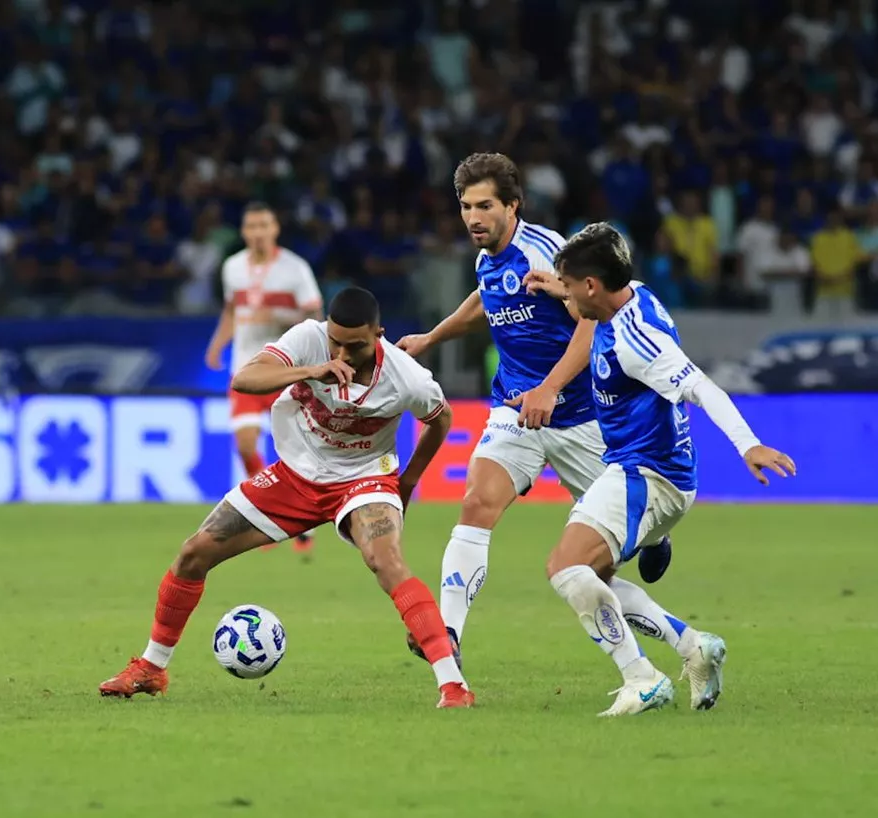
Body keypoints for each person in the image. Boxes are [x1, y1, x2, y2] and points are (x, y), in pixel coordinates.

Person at [100, 287, 474, 709]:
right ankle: (152, 668)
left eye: (357, 345)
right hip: (294, 476)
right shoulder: (308, 340)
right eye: (337, 342)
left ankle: (453, 684)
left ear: (379, 334)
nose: (345, 353)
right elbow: (245, 378)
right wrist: (310, 370)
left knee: (385, 561)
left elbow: (440, 418)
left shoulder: (406, 377)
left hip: (363, 478)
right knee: (193, 553)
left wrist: (407, 482)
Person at [396, 152, 671, 670]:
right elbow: (485, 300)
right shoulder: (486, 257)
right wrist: (432, 337)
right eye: (465, 206)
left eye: (484, 206)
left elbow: (589, 324)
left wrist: (548, 388)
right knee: (477, 502)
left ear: (513, 206)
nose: (473, 218)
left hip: (580, 416)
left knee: (612, 554)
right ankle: (447, 632)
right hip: (515, 408)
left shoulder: (547, 252)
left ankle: (658, 539)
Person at [537, 223, 796, 716]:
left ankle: (643, 679)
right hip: (647, 470)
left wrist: (749, 445)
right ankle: (693, 647)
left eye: (569, 286)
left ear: (592, 286)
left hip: (647, 474)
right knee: (596, 577)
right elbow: (591, 292)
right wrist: (558, 285)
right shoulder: (630, 296)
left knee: (565, 568)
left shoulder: (637, 340)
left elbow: (701, 387)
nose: (566, 298)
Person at [205, 202, 323, 553]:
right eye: (251, 226)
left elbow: (314, 316)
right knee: (244, 444)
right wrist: (216, 345)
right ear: (244, 231)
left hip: (284, 370)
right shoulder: (232, 267)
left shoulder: (295, 269)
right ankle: (265, 512)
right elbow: (232, 310)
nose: (258, 232)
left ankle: (302, 521)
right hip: (245, 371)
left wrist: (280, 315)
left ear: (275, 229)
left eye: (264, 225)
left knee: (295, 450)